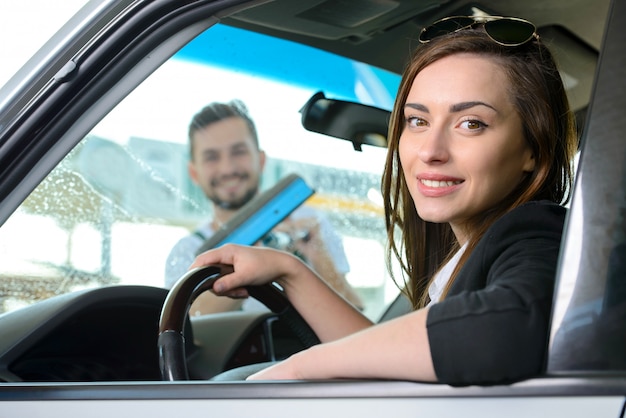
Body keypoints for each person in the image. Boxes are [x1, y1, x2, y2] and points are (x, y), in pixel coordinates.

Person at [190, 16, 577, 385]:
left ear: (534, 151)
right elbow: (395, 359)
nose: (430, 150)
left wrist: (298, 369)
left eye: (470, 124)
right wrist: (288, 271)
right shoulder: (468, 257)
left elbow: (505, 329)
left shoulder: (536, 232)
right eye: (417, 121)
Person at [165, 100, 363, 314]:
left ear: (260, 160)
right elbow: (187, 325)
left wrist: (317, 258)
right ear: (194, 173)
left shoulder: (310, 224)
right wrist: (257, 257)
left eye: (238, 152)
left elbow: (357, 313)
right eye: (211, 157)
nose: (227, 168)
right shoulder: (188, 252)